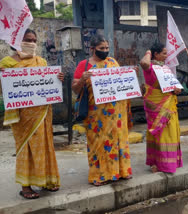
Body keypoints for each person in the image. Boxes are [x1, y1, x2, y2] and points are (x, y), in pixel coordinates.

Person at [0, 29, 64, 199]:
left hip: (42, 113)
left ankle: (47, 181)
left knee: (45, 146)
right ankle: (26, 187)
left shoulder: (41, 61)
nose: (31, 43)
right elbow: (3, 90)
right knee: (26, 149)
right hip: (22, 117)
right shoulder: (7, 63)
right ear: (18, 41)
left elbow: (47, 84)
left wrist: (58, 78)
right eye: (28, 40)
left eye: (34, 40)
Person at [72, 35, 133, 185]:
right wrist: (82, 79)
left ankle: (120, 171)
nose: (105, 51)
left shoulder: (112, 62)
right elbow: (75, 89)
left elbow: (120, 82)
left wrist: (130, 75)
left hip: (116, 113)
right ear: (92, 49)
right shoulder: (84, 65)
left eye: (107, 48)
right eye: (101, 49)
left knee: (117, 140)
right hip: (96, 115)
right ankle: (99, 174)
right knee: (98, 142)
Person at [140, 43, 183, 173]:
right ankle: (156, 163)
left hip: (169, 104)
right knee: (158, 134)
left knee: (170, 133)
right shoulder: (150, 67)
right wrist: (148, 51)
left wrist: (176, 90)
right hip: (156, 106)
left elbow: (171, 85)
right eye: (164, 53)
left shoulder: (165, 68)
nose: (166, 55)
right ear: (156, 54)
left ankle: (168, 162)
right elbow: (143, 63)